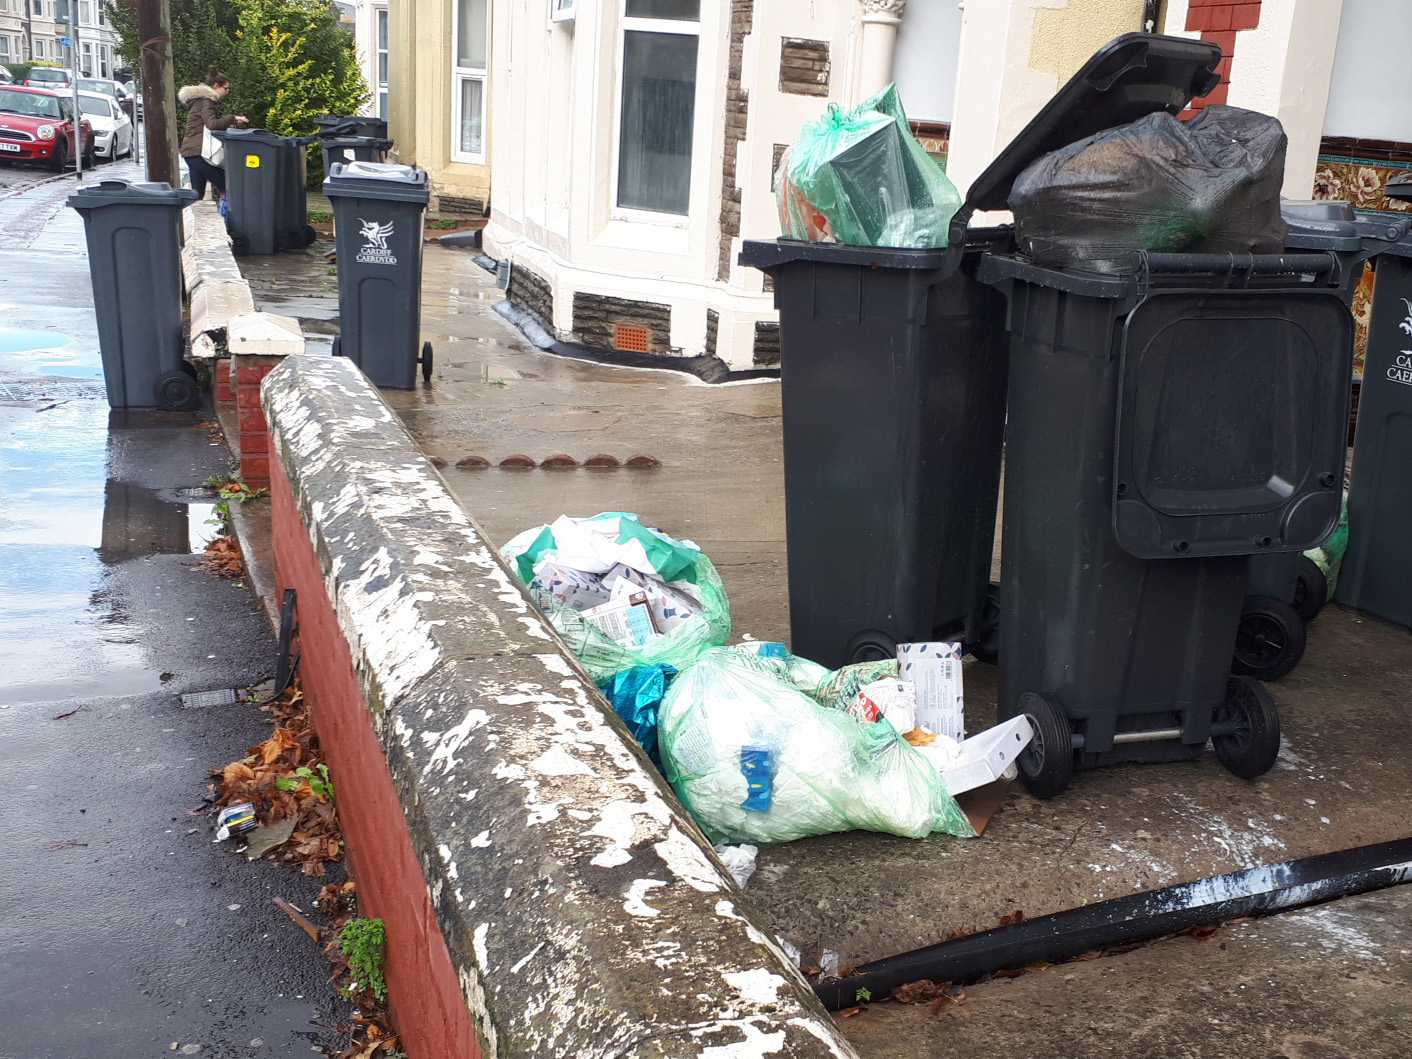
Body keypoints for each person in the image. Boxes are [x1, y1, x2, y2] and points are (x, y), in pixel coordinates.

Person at [177, 66, 248, 200]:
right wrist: (231, 117)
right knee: (227, 186)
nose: (227, 92)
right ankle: (231, 216)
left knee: (197, 194)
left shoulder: (200, 100)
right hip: (198, 153)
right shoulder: (206, 101)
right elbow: (212, 124)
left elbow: (208, 124)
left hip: (191, 153)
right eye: (226, 88)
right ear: (216, 86)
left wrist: (233, 123)